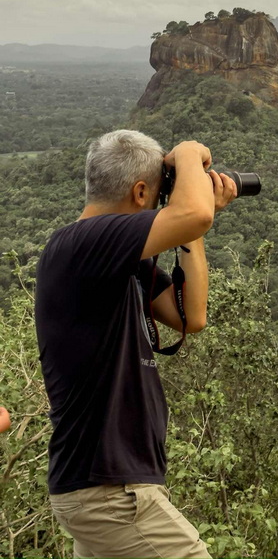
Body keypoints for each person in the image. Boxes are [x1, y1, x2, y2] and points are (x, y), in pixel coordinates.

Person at [35, 129, 237, 559]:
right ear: (141, 191)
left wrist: (190, 225)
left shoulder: (115, 257)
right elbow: (196, 214)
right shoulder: (82, 243)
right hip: (110, 492)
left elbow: (191, 317)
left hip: (102, 489)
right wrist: (188, 157)